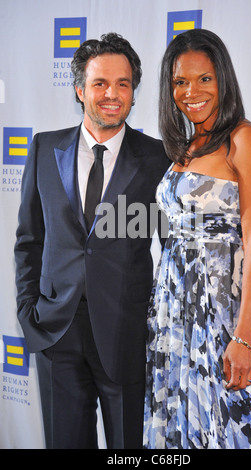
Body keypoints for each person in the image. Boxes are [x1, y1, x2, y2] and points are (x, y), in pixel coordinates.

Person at [14, 33, 169, 449]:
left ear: (134, 93)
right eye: (100, 83)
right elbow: (29, 239)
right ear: (80, 90)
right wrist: (29, 310)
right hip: (56, 334)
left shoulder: (158, 157)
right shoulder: (45, 148)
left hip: (125, 333)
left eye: (123, 84)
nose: (112, 95)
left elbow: (171, 246)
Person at [143, 29, 251, 449]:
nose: (192, 92)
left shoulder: (246, 140)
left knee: (227, 429)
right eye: (180, 82)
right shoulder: (185, 146)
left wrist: (242, 338)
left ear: (223, 77)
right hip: (172, 319)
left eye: (204, 78)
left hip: (221, 318)